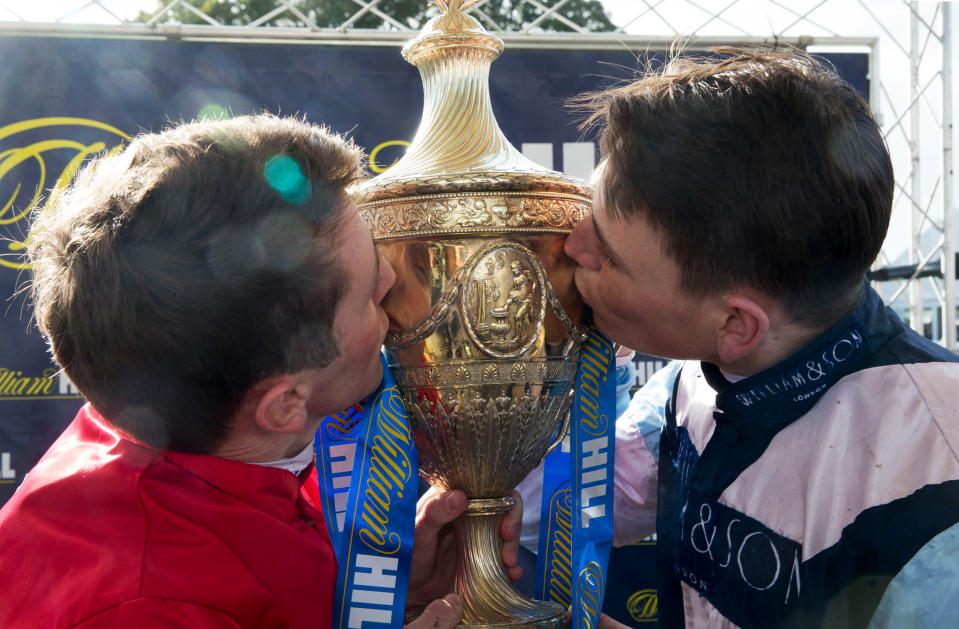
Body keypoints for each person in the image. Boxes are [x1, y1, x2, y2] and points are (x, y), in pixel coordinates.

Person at [0, 114, 520, 628]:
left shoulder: (175, 427)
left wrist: (391, 602)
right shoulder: (147, 606)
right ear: (284, 406)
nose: (391, 278)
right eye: (367, 295)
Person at [560, 48, 959, 627]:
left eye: (608, 254)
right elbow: (569, 502)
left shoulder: (938, 473)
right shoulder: (689, 382)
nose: (572, 247)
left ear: (736, 326)